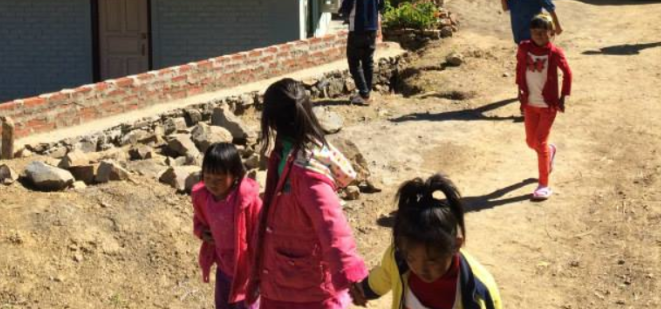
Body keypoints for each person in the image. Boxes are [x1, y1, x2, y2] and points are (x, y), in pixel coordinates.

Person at [248, 78, 368, 309]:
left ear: (272, 121)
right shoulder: (285, 151)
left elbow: (332, 225)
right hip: (280, 278)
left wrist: (350, 275)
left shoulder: (308, 170)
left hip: (306, 288)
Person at [349, 174, 503, 309]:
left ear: (455, 245)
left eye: (432, 260)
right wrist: (363, 290)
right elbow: (385, 275)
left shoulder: (477, 292)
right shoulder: (398, 257)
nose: (420, 269)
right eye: (411, 259)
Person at [191, 142, 263, 309]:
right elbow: (199, 220)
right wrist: (202, 232)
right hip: (223, 266)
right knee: (223, 304)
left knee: (248, 305)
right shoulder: (204, 198)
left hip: (246, 268)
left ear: (235, 175)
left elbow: (261, 228)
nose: (212, 184)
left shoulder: (245, 201)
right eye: (207, 177)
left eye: (219, 179)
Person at [516, 14, 572, 201]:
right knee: (531, 143)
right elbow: (519, 69)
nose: (538, 36)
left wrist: (562, 97)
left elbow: (568, 74)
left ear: (552, 33)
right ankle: (551, 151)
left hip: (548, 105)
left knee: (539, 143)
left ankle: (543, 185)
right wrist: (519, 92)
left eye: (543, 33)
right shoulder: (524, 48)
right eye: (535, 32)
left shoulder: (554, 53)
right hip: (530, 104)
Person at [338, 0, 384, 106]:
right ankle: (367, 93)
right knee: (368, 61)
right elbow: (380, 6)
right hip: (372, 29)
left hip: (357, 29)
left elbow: (344, 8)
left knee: (353, 62)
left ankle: (364, 94)